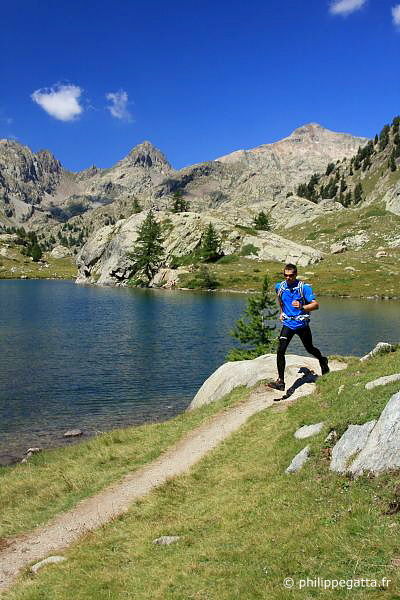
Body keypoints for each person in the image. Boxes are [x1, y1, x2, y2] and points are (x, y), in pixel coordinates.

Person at [267, 263, 329, 391]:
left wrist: (302, 307)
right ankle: (281, 382)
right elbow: (280, 299)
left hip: (301, 324)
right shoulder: (280, 287)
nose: (288, 278)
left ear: (296, 274)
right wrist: (282, 312)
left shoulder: (304, 288)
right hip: (288, 324)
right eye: (286, 275)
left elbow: (316, 305)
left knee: (310, 348)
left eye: (291, 275)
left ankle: (322, 360)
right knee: (280, 350)